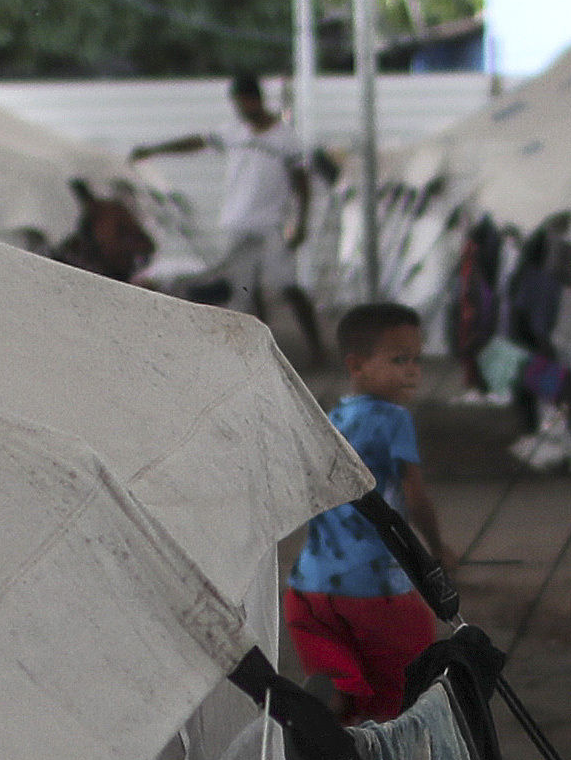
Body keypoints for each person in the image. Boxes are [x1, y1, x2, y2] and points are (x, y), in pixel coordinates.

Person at [288, 302, 455, 724]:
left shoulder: (331, 418)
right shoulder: (395, 420)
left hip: (309, 589)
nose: (413, 371)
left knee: (345, 682)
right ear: (357, 366)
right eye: (399, 360)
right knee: (401, 688)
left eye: (417, 360)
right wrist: (437, 551)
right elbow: (416, 498)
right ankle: (376, 753)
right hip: (377, 589)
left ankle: (334, 704)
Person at [138, 74, 325, 361]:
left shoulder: (286, 139)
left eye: (241, 104)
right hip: (238, 221)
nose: (238, 110)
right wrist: (154, 149)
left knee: (288, 285)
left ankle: (316, 348)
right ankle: (261, 351)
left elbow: (302, 185)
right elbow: (197, 141)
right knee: (245, 289)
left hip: (271, 223)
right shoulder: (234, 132)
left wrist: (300, 224)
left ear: (255, 100)